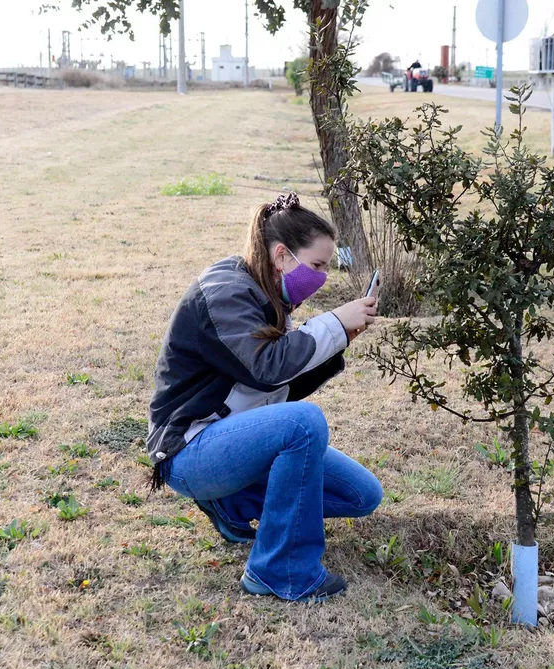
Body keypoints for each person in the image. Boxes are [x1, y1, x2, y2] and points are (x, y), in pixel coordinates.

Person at [147, 193, 383, 603]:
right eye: (318, 265)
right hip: (189, 450)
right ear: (281, 256)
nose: (322, 277)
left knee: (361, 495)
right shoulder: (225, 292)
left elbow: (278, 387)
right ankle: (279, 571)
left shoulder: (270, 293)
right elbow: (266, 367)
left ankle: (233, 505)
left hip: (229, 439)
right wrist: (332, 324)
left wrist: (340, 339)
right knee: (303, 423)